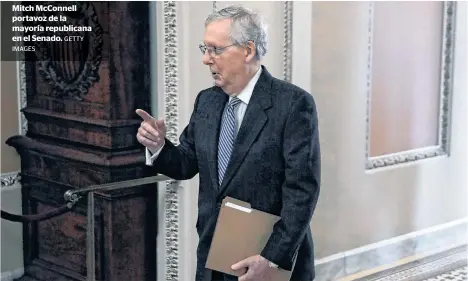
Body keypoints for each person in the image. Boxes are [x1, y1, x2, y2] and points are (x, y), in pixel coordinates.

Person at [136, 5, 320, 281]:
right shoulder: (207, 101)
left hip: (267, 261)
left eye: (215, 49)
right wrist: (158, 146)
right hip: (214, 258)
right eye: (204, 49)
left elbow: (302, 191)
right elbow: (186, 163)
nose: (206, 60)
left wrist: (271, 259)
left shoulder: (293, 104)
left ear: (248, 50)